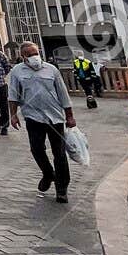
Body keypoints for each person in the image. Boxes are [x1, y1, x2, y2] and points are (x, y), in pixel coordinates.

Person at [8, 41, 77, 202]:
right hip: (33, 117)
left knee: (59, 153)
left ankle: (62, 188)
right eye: (30, 54)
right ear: (23, 57)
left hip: (55, 117)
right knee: (37, 149)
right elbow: (13, 95)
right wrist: (13, 114)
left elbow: (63, 93)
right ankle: (48, 173)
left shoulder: (51, 69)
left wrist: (70, 115)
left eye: (36, 53)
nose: (35, 57)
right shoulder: (17, 72)